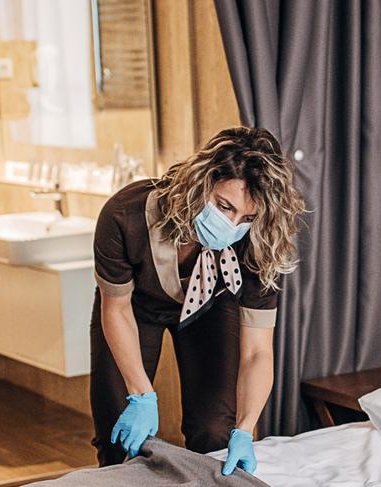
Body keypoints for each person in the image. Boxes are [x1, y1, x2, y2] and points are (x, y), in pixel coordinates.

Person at [89, 126, 306, 475]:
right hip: (134, 309)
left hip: (210, 309)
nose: (233, 224)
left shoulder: (258, 244)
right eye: (224, 206)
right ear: (201, 183)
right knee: (119, 430)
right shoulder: (124, 215)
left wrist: (245, 429)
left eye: (247, 218)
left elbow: (257, 352)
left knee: (215, 431)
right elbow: (115, 307)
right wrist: (141, 394)